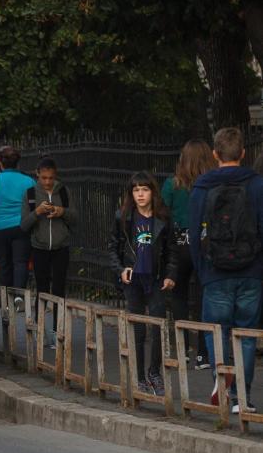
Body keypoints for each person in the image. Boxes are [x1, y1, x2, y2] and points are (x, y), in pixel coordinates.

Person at [189, 127, 263, 414]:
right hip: (251, 271)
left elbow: (194, 234)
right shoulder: (257, 185)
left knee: (217, 330)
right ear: (243, 153)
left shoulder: (202, 186)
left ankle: (223, 385)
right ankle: (243, 397)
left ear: (215, 154)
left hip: (215, 271)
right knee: (245, 333)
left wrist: (202, 268)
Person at [110, 171, 177, 395]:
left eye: (145, 189)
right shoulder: (123, 218)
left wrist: (170, 275)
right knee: (137, 329)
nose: (140, 194)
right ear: (131, 193)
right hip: (133, 280)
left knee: (158, 328)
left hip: (156, 279)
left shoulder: (163, 218)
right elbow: (112, 249)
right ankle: (138, 376)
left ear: (152, 192)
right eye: (136, 190)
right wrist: (121, 271)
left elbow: (171, 252)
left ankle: (154, 373)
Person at [162, 139, 217, 370]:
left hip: (179, 241)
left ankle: (183, 348)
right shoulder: (211, 185)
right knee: (205, 296)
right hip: (204, 240)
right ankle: (204, 354)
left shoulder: (172, 185)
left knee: (179, 294)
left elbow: (163, 213)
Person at [21, 157, 77, 346]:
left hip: (61, 247)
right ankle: (40, 330)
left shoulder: (63, 191)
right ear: (38, 175)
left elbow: (75, 217)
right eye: (44, 178)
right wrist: (37, 212)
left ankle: (57, 331)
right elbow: (23, 224)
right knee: (42, 289)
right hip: (40, 247)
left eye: (51, 178)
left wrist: (62, 211)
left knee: (59, 289)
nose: (47, 182)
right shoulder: (30, 193)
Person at [0, 145, 36, 289]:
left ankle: (8, 297)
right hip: (22, 227)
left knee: (4, 263)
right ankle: (19, 296)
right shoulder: (28, 180)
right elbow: (34, 203)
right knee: (21, 262)